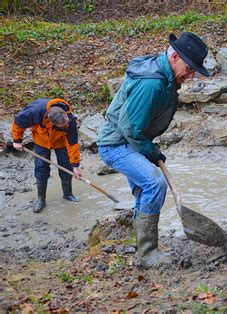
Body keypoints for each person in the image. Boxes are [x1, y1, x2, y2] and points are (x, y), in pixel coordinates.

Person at [97, 32, 209, 268]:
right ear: (175, 56)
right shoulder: (152, 83)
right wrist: (152, 152)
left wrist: (149, 149)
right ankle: (148, 254)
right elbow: (130, 127)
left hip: (130, 140)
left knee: (142, 190)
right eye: (189, 69)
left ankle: (143, 249)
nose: (189, 76)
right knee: (154, 184)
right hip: (117, 144)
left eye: (193, 72)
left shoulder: (164, 74)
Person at [11, 98, 81, 213]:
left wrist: (75, 166)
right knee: (41, 168)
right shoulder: (35, 112)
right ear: (51, 122)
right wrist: (17, 140)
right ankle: (41, 199)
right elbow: (18, 122)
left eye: (66, 123)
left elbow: (73, 144)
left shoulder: (70, 120)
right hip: (41, 140)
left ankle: (68, 194)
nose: (67, 125)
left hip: (60, 141)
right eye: (63, 125)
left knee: (66, 165)